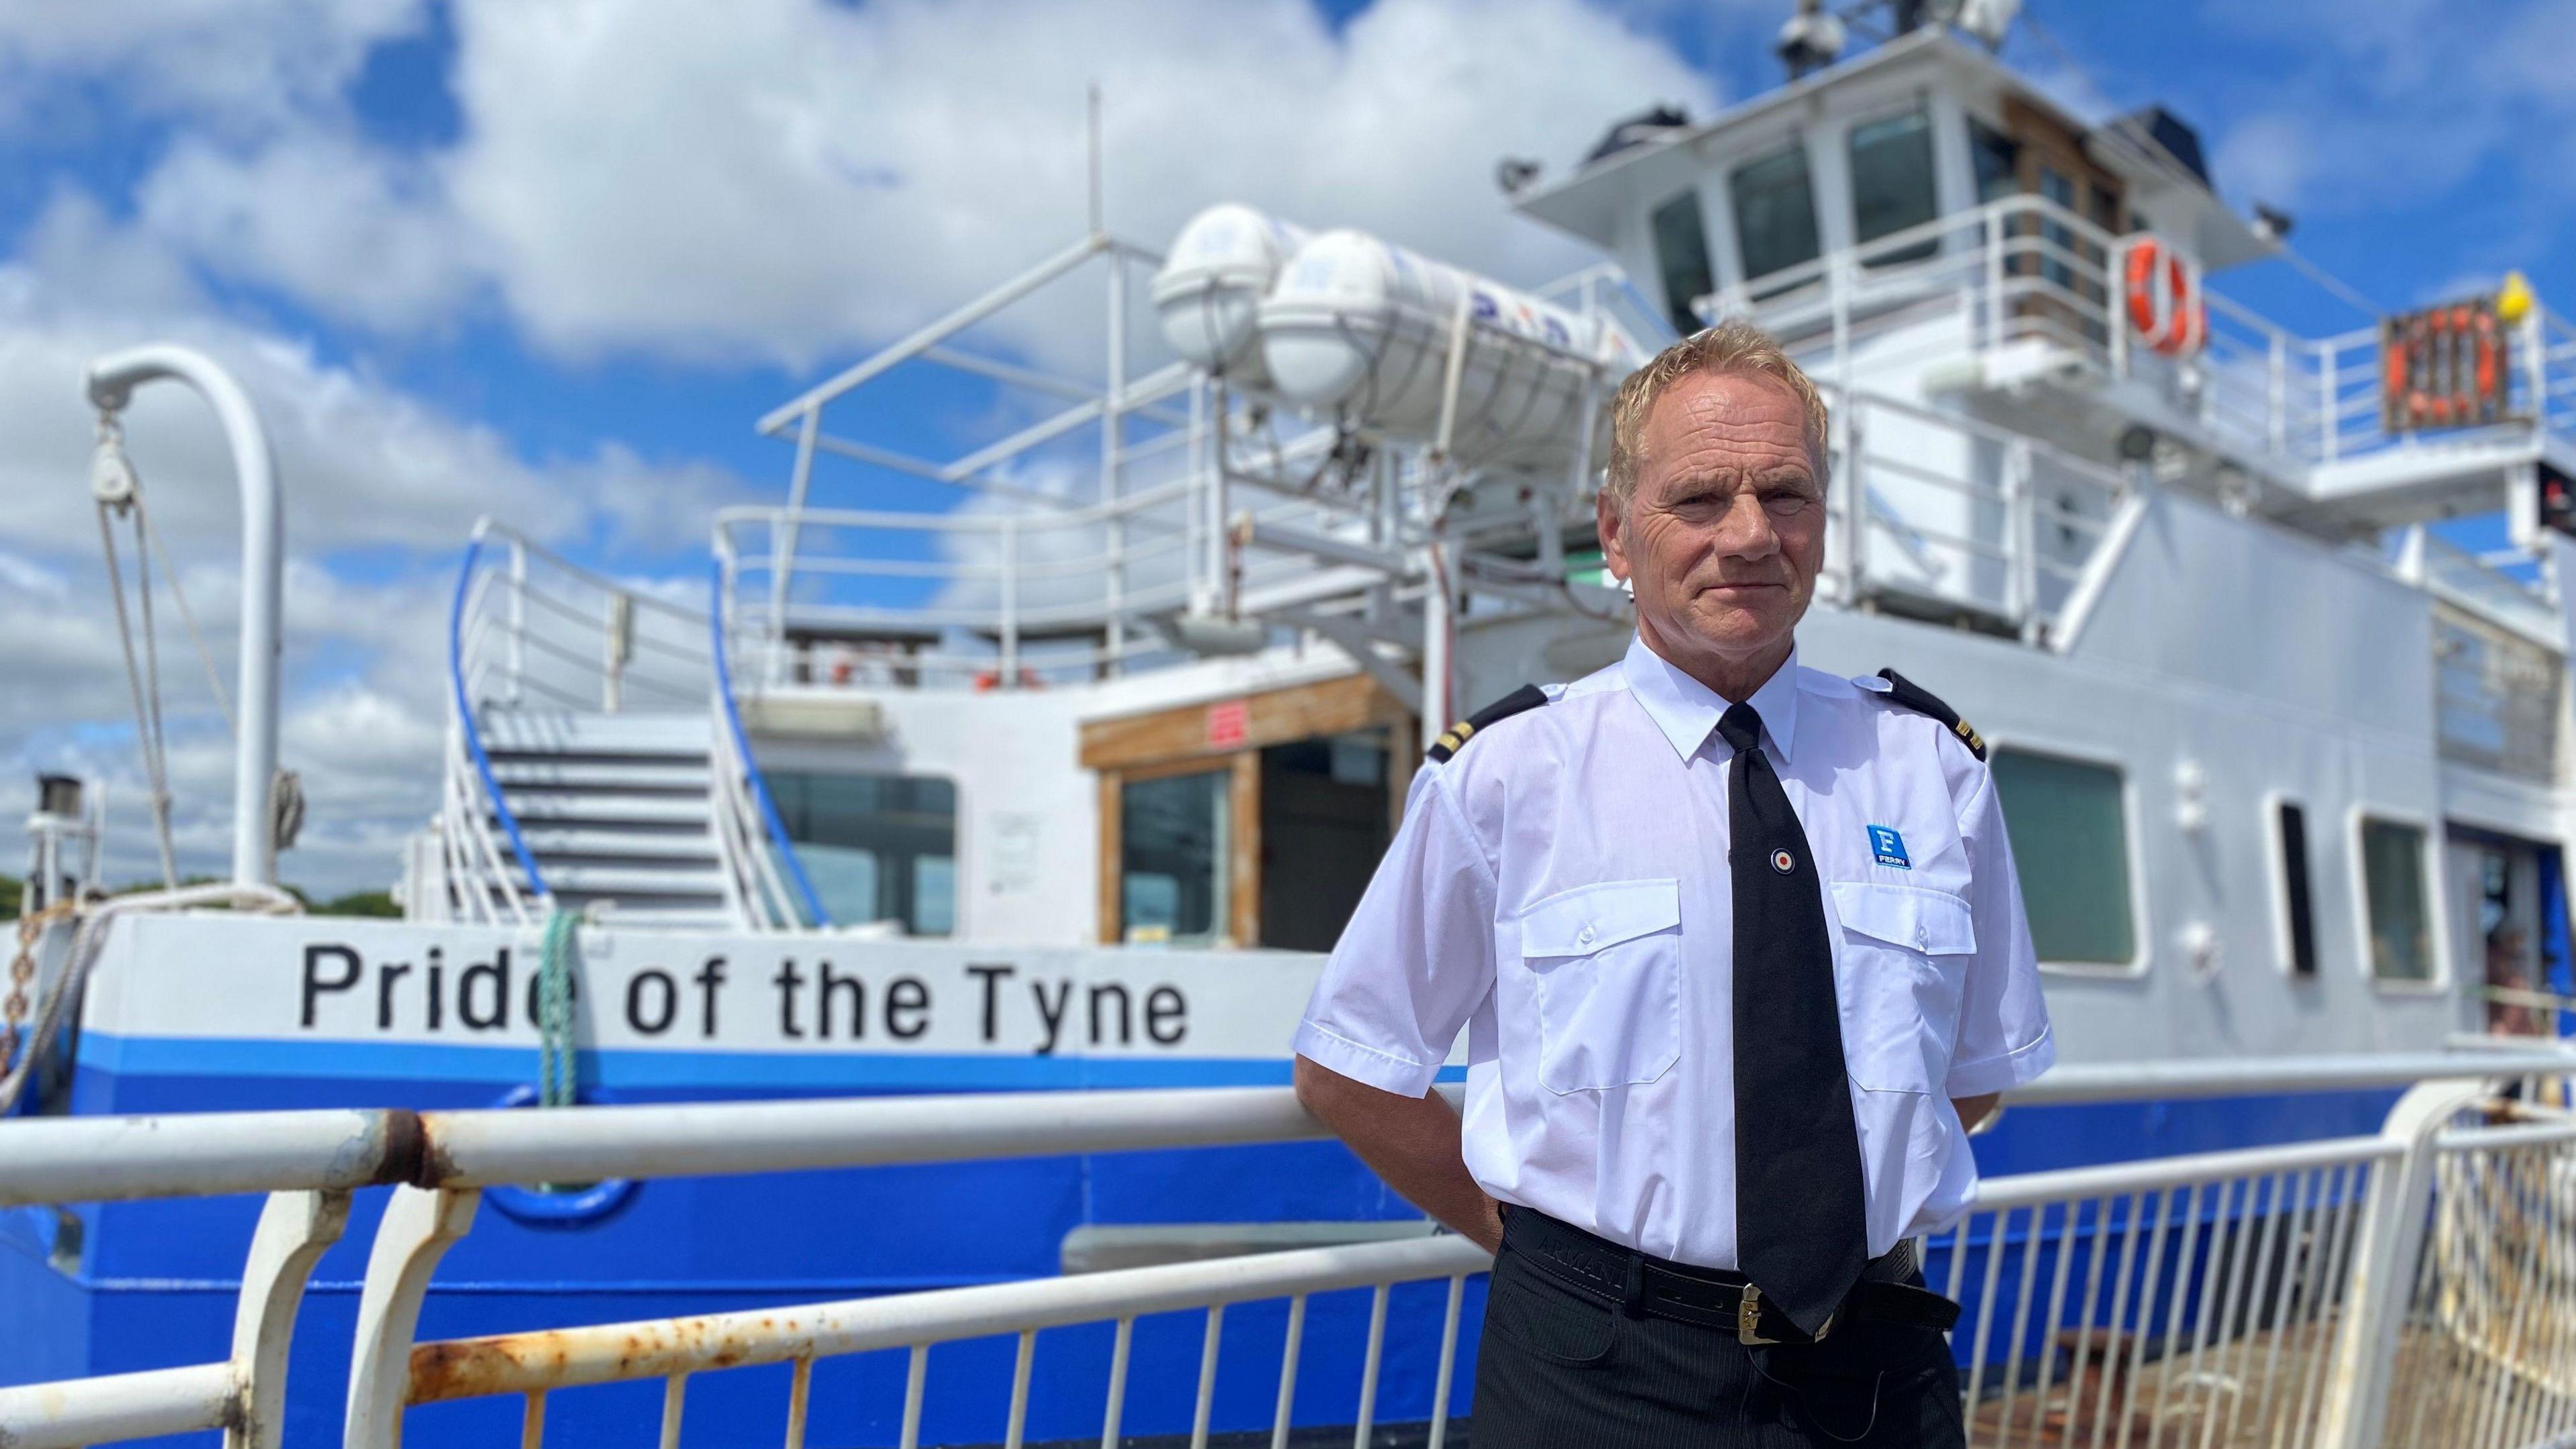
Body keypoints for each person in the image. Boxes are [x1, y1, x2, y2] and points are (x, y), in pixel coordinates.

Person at [1291, 319, 2053, 1446]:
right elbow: (1351, 1066)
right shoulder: (1509, 777)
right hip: (1595, 1374)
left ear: (1824, 527)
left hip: (1874, 1370)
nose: (1749, 535)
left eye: (1784, 494)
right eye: (1700, 499)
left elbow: (1973, 1072)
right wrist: (1548, 1249)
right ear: (1615, 531)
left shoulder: (1931, 768)